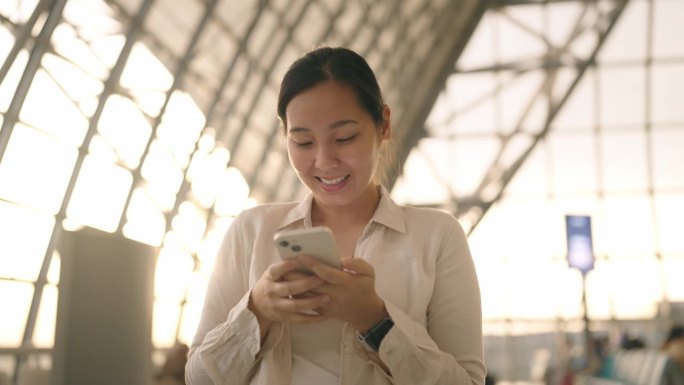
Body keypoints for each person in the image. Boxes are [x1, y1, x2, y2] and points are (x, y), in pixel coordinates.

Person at [184, 45, 485, 385]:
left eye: (345, 137)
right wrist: (256, 311)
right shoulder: (250, 231)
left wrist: (376, 321)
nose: (325, 162)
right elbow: (199, 379)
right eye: (303, 142)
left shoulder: (437, 236)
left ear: (383, 124)